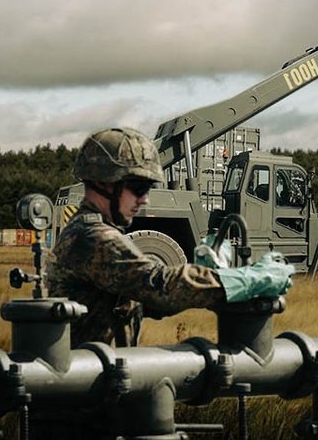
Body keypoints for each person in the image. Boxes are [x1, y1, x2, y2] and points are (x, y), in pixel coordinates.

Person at [46, 127, 294, 347]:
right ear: (104, 184)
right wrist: (242, 279)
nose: (144, 200)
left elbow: (145, 299)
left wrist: (205, 276)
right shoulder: (92, 238)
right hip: (84, 390)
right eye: (139, 188)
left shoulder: (89, 232)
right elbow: (158, 285)